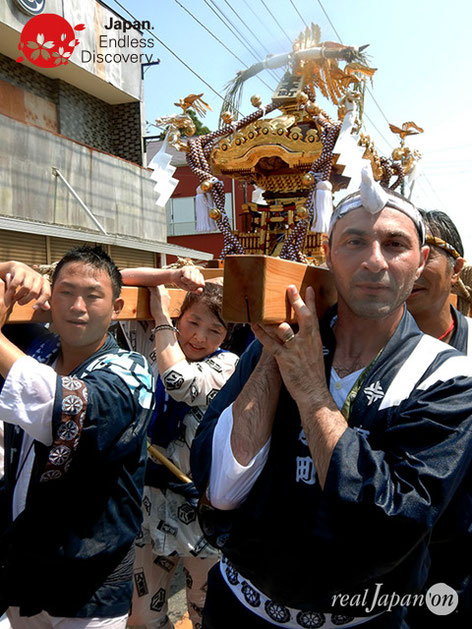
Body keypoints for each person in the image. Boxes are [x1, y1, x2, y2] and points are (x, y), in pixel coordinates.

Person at [191, 175, 472, 628]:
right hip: (239, 608)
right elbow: (222, 489)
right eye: (355, 242)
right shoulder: (279, 348)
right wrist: (273, 354)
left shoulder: (445, 375)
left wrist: (309, 390)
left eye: (395, 244)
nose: (374, 262)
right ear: (327, 253)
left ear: (420, 262)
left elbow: (386, 524)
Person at [0, 246, 155, 628]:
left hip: (91, 581)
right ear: (51, 298)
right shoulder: (37, 349)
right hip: (24, 565)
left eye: (93, 295)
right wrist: (9, 268)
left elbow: (69, 410)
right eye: (66, 292)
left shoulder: (130, 371)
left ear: (116, 307)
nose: (77, 306)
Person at [120, 270, 238, 629]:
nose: (199, 337)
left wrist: (161, 319)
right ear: (181, 316)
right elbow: (115, 276)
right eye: (192, 322)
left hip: (199, 509)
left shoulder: (227, 365)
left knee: (206, 609)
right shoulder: (155, 346)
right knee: (142, 616)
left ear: (227, 336)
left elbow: (177, 382)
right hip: (149, 506)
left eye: (215, 330)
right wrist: (168, 275)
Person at [406, 210, 472, 626]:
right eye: (400, 248)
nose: (411, 264)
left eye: (427, 251)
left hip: (459, 550)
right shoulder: (351, 350)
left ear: (456, 268)